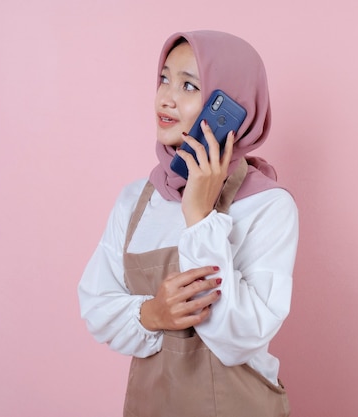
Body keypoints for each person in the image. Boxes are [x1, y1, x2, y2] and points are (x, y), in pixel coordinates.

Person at [78, 30, 299, 417]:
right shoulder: (136, 199)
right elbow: (96, 305)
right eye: (163, 79)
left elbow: (239, 338)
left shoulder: (269, 206)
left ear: (233, 106)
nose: (165, 97)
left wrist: (199, 217)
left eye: (189, 86)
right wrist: (153, 314)